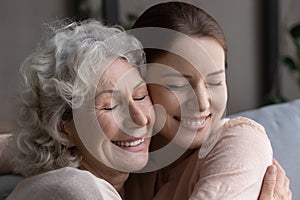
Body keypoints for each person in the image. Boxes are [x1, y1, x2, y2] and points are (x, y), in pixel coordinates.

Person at [124, 2, 292, 199]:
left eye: (215, 81)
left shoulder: (240, 142)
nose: (202, 103)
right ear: (139, 83)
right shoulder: (131, 161)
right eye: (178, 85)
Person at [6, 19, 154, 199]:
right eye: (110, 106)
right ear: (63, 129)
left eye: (140, 96)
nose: (140, 118)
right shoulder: (77, 189)